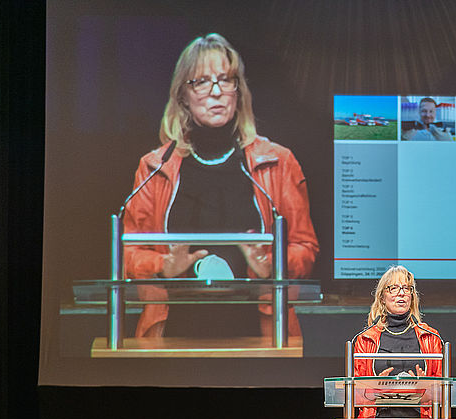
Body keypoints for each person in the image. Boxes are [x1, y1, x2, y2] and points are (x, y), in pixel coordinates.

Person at [123, 33, 319, 339]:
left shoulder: (277, 163)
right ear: (183, 95)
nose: (216, 92)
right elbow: (130, 253)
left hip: (260, 336)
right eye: (201, 82)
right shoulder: (154, 168)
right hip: (172, 336)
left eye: (226, 80)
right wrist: (165, 265)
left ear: (238, 92)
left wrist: (271, 264)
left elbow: (305, 248)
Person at [352, 266, 444, 418]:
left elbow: (442, 390)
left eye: (406, 288)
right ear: (382, 297)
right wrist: (375, 388)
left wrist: (425, 387)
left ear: (412, 296)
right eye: (393, 288)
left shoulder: (430, 337)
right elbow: (356, 394)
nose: (401, 293)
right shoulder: (365, 339)